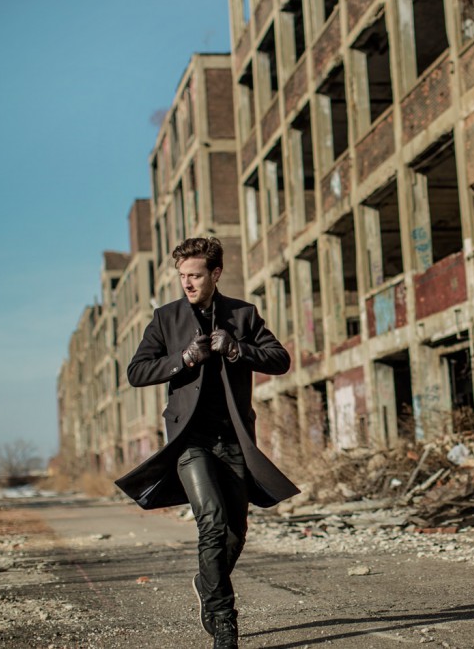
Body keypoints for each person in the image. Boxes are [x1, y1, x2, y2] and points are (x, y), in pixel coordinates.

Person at [115, 237, 299, 649]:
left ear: (215, 273)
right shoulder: (165, 319)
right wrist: (183, 359)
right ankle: (224, 622)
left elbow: (280, 359)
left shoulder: (242, 313)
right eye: (182, 276)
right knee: (212, 521)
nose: (188, 283)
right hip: (189, 441)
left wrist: (237, 348)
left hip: (233, 437)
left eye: (195, 275)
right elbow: (136, 371)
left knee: (235, 532)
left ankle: (205, 581)